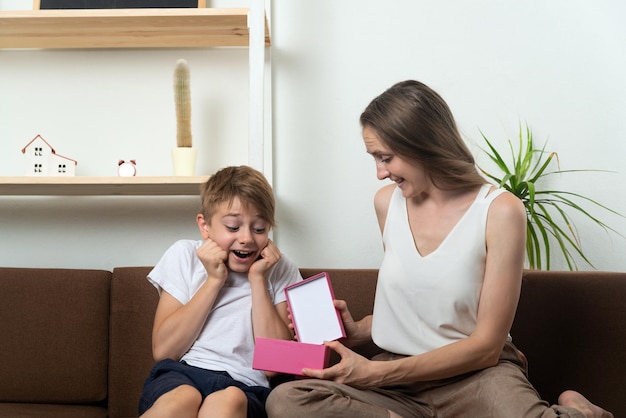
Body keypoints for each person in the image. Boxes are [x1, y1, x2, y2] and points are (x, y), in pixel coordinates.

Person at [265, 80, 613, 418]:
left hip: (476, 377)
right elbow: (421, 304)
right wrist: (361, 331)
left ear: (422, 145)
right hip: (397, 383)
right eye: (374, 158)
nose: (379, 173)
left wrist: (375, 374)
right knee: (286, 401)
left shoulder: (500, 211)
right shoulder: (388, 204)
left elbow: (487, 346)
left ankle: (578, 410)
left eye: (385, 157)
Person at [138, 165, 302, 418]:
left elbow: (275, 366)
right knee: (181, 399)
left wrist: (257, 279)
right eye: (233, 227)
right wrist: (214, 279)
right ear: (205, 226)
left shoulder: (280, 269)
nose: (247, 238)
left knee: (229, 400)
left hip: (247, 386)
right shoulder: (184, 255)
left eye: (258, 229)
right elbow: (164, 351)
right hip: (183, 374)